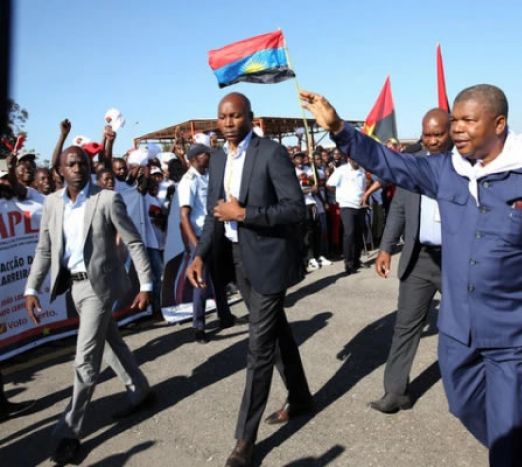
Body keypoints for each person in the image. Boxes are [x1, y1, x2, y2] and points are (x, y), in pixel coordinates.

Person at [301, 85, 522, 467]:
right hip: (459, 329)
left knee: (509, 438)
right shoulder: (445, 170)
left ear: (499, 123)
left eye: (469, 120)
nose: (457, 128)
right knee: (464, 404)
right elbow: (391, 164)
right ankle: (521, 452)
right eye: (455, 119)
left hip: (517, 331)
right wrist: (339, 128)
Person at [187, 92, 312, 467]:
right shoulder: (219, 157)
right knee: (277, 334)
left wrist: (245, 214)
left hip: (270, 260)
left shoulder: (271, 152)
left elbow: (294, 209)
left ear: (249, 118)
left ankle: (245, 439)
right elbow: (213, 214)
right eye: (222, 116)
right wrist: (199, 255)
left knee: (258, 347)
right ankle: (301, 396)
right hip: (238, 260)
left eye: (235, 115)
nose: (228, 122)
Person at [24, 146, 155, 465]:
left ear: (89, 167)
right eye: (71, 164)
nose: (78, 168)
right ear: (60, 169)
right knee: (109, 341)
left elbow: (134, 241)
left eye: (83, 162)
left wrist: (147, 283)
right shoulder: (52, 203)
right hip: (74, 287)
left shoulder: (107, 199)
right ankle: (139, 389)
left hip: (101, 287)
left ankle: (68, 433)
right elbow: (44, 250)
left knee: (85, 360)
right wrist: (31, 288)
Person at [371, 108, 451, 413]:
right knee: (405, 325)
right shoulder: (413, 165)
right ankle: (395, 391)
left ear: (450, 132)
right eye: (427, 135)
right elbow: (399, 210)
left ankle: (478, 389)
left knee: (469, 325)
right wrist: (385, 248)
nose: (431, 141)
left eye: (438, 134)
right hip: (419, 259)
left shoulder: (464, 166)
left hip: (454, 262)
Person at [179, 143, 236, 343]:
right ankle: (199, 326)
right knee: (201, 284)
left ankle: (225, 315)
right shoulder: (188, 181)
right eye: (206, 154)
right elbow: (184, 216)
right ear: (195, 157)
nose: (209, 157)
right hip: (199, 237)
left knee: (219, 278)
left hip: (214, 234)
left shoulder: (207, 176)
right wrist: (196, 247)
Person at [326, 157, 368, 274]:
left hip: (360, 205)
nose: (357, 161)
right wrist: (339, 194)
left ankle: (356, 260)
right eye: (354, 159)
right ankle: (348, 263)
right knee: (349, 233)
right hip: (346, 205)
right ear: (349, 159)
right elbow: (329, 184)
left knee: (359, 233)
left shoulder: (362, 170)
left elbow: (364, 186)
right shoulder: (341, 170)